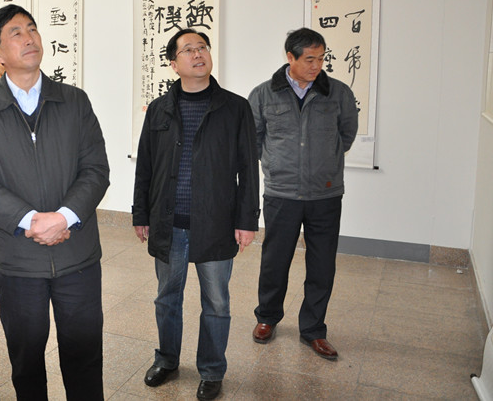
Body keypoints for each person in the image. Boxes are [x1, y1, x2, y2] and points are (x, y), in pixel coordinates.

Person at [0, 4, 110, 401]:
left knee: (84, 356)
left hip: (77, 254)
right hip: (18, 258)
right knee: (25, 360)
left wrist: (64, 217)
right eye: (16, 33)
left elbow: (95, 169)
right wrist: (30, 220)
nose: (29, 38)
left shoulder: (74, 101)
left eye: (32, 29)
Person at [132, 29, 260, 400]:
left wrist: (247, 220)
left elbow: (248, 168)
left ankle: (212, 370)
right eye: (188, 50)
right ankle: (167, 359)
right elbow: (146, 165)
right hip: (168, 223)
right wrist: (141, 213)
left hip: (216, 222)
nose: (198, 54)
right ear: (174, 64)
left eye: (202, 47)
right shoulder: (159, 109)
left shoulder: (235, 108)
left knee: (216, 303)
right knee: (167, 298)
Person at [248, 27, 358, 360]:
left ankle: (313, 329)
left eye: (321, 58)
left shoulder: (338, 93)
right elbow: (254, 138)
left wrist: (324, 164)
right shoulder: (263, 94)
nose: (316, 65)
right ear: (290, 57)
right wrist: (276, 166)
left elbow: (347, 134)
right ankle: (267, 317)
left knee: (322, 264)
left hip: (325, 194)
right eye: (309, 59)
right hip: (281, 192)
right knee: (275, 260)